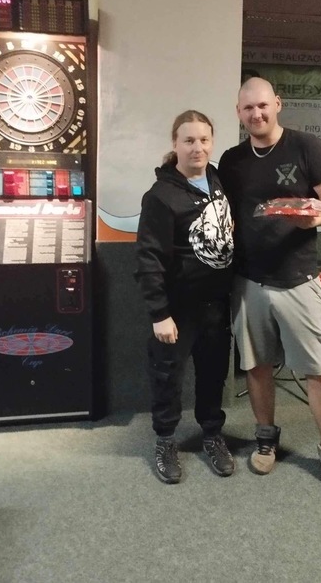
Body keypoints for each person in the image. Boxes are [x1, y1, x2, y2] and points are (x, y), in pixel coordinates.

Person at [218, 77, 321, 497]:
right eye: (247, 108)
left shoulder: (306, 146)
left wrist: (317, 217)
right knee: (257, 366)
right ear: (238, 113)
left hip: (298, 279)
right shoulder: (231, 160)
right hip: (248, 281)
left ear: (277, 103)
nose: (256, 114)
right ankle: (265, 438)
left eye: (262, 105)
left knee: (317, 370)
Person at [135, 110, 235, 484]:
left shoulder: (218, 181)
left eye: (204, 140)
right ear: (175, 144)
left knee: (213, 375)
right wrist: (159, 313)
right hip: (177, 310)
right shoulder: (160, 197)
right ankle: (165, 440)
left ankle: (212, 435)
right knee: (168, 377)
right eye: (189, 140)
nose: (197, 147)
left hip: (216, 305)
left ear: (212, 142)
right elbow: (148, 258)